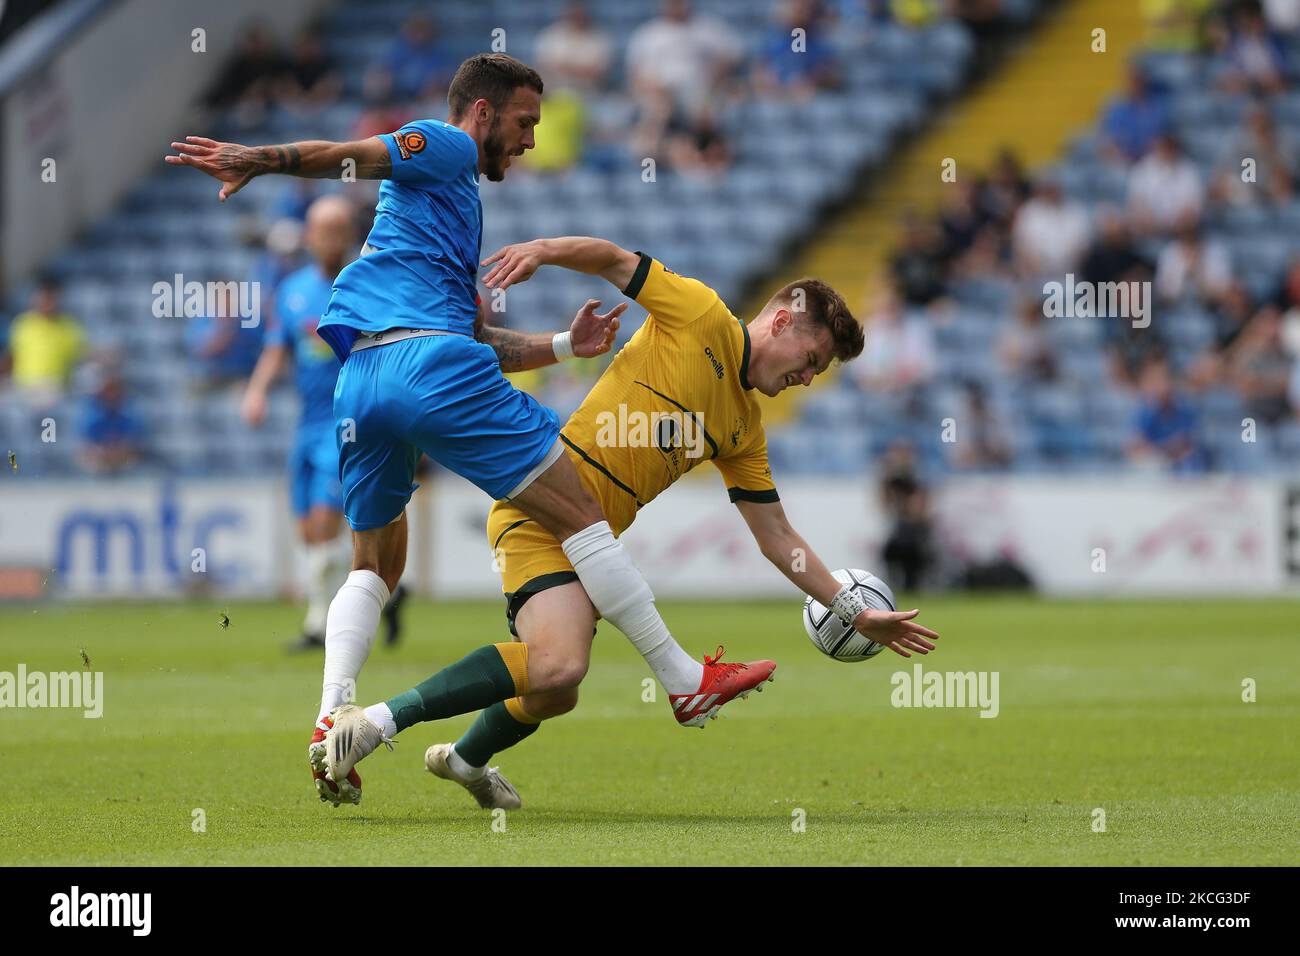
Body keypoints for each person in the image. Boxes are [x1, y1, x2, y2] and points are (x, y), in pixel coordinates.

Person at [167, 54, 775, 809]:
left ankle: (334, 718)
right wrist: (261, 159)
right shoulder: (447, 145)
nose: (528, 141)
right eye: (524, 123)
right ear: (482, 113)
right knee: (584, 511)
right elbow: (358, 157)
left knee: (375, 566)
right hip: (430, 368)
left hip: (363, 381)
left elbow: (482, 337)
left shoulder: (440, 214)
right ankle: (686, 682)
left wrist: (560, 347)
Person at [322, 237, 941, 808]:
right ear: (781, 321)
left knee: (556, 687)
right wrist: (543, 250)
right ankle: (375, 722)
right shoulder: (700, 313)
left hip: (589, 544)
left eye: (819, 374)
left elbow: (777, 537)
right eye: (811, 360)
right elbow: (615, 260)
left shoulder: (743, 429)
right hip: (537, 513)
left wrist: (851, 609)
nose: (808, 378)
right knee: (562, 666)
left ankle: (462, 759)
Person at [241, 195, 408, 653]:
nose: (329, 239)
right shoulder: (292, 290)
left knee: (324, 521)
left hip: (353, 422)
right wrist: (257, 391)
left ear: (351, 235)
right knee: (308, 532)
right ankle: (383, 591)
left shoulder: (369, 287)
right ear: (309, 236)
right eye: (321, 230)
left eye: (338, 230)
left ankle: (319, 625)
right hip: (307, 425)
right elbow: (278, 347)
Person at [2, 275, 84, 408]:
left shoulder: (69, 326)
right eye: (43, 299)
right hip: (24, 387)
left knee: (47, 424)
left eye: (50, 299)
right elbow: (12, 354)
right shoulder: (22, 324)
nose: (46, 304)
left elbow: (81, 355)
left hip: (55, 387)